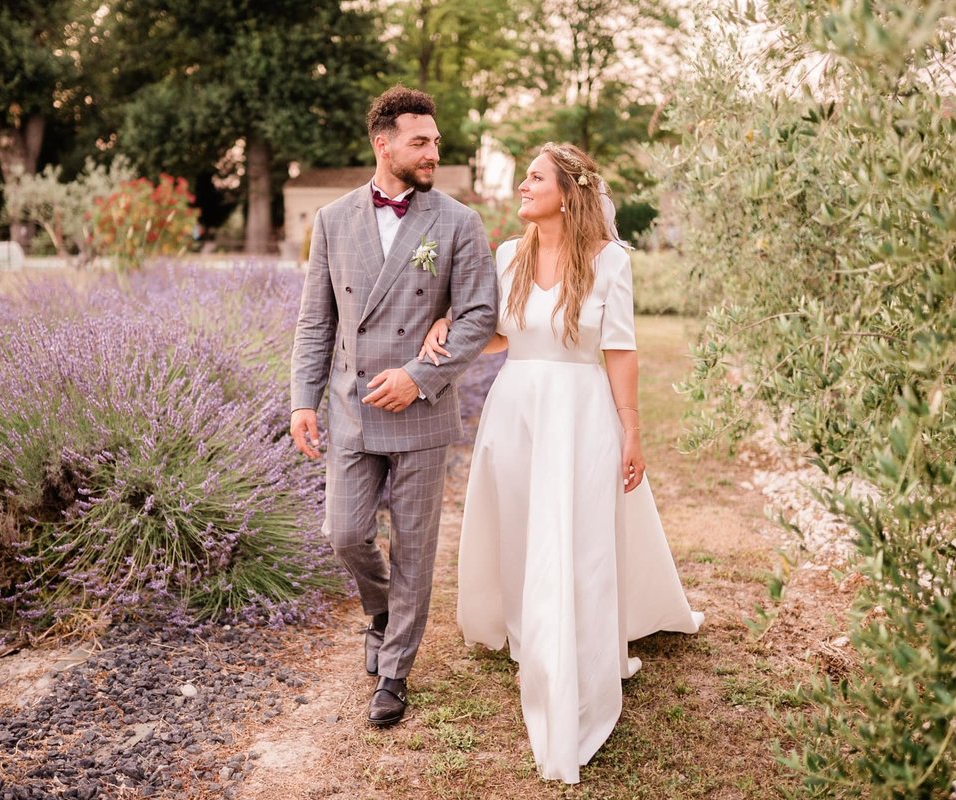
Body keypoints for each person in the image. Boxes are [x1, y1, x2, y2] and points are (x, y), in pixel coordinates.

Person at [419, 142, 703, 783]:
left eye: (535, 177)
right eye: (524, 175)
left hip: (579, 414)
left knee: (575, 538)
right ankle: (527, 629)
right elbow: (502, 332)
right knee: (522, 525)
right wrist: (444, 325)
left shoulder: (609, 263)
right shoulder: (509, 255)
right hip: (516, 409)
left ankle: (576, 648)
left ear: (568, 193)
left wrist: (632, 430)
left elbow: (621, 351)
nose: (523, 185)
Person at [289, 85, 498, 728]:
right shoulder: (332, 219)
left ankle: (394, 671)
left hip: (421, 409)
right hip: (353, 409)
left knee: (414, 545)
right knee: (345, 533)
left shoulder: (458, 222)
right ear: (384, 145)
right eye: (420, 141)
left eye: (436, 141)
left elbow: (479, 315)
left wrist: (417, 375)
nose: (433, 151)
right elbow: (315, 322)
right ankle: (380, 610)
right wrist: (304, 400)